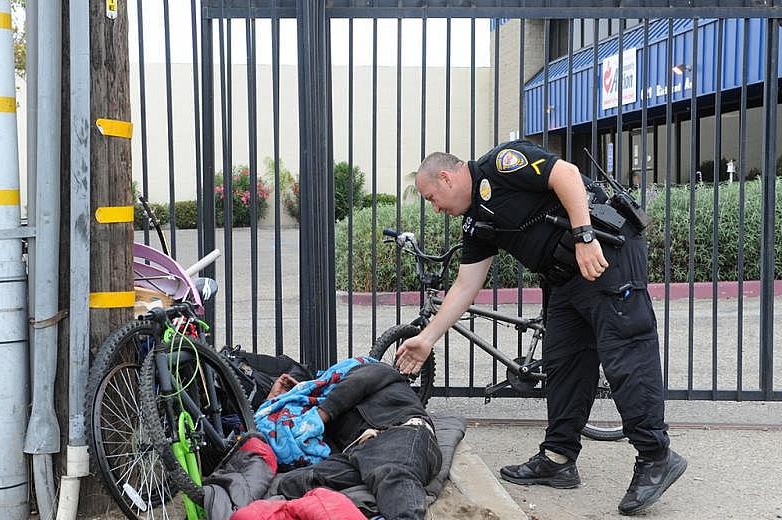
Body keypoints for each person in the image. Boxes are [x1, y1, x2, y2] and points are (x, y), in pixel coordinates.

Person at [394, 140, 686, 516]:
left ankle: (655, 456)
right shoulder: (475, 223)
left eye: (432, 198)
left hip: (603, 253)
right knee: (563, 364)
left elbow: (564, 174)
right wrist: (426, 338)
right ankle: (558, 458)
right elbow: (466, 285)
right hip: (565, 277)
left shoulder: (501, 164)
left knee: (626, 355)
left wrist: (584, 236)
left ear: (447, 178)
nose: (435, 208)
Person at [265, 360, 442, 520]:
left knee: (392, 472)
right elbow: (305, 448)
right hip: (360, 455)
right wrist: (274, 402)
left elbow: (356, 384)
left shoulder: (371, 370)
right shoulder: (325, 415)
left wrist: (320, 414)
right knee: (293, 483)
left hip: (401, 432)